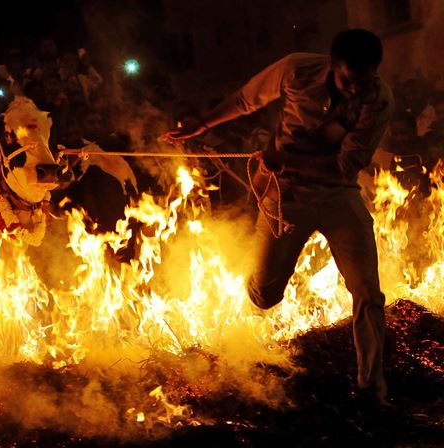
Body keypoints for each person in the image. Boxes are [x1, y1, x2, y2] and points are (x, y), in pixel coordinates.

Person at [165, 29, 394, 408]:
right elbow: (245, 99)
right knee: (265, 296)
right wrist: (204, 124)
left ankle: (372, 391)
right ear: (332, 65)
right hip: (285, 193)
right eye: (348, 80)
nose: (356, 89)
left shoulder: (379, 100)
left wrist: (286, 158)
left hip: (338, 195)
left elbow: (345, 166)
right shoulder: (296, 70)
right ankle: (257, 271)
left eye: (364, 80)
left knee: (369, 294)